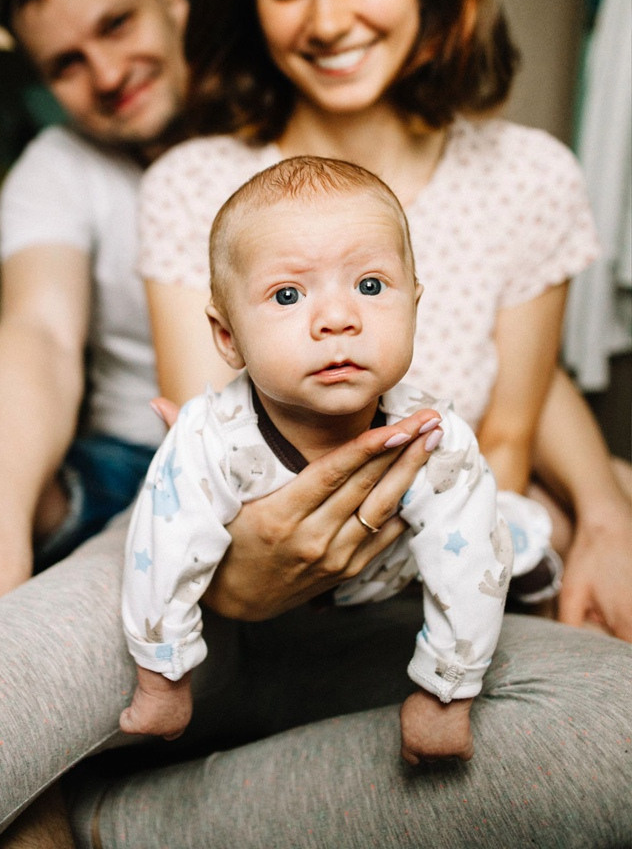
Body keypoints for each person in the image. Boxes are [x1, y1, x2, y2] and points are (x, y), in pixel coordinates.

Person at [0, 0, 630, 849]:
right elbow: (207, 462)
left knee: (611, 735)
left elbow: (514, 420)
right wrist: (228, 584)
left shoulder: (528, 175)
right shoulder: (198, 181)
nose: (329, 17)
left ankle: (127, 821)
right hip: (203, 573)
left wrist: (598, 511)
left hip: (409, 597)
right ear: (249, 4)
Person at [122, 155, 560, 763]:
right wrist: (162, 677)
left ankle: (533, 556)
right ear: (228, 338)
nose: (337, 319)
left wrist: (445, 695)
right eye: (288, 294)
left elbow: (469, 566)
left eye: (371, 286)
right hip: (257, 605)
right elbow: (163, 551)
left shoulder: (432, 436)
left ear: (415, 306)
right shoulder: (210, 438)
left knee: (499, 537)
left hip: (392, 577)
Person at [0, 0, 190, 639]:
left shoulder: (287, 136)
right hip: (117, 459)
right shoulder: (57, 166)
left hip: (266, 458)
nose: (105, 73)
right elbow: (39, 331)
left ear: (174, 0)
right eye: (66, 63)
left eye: (118, 24)